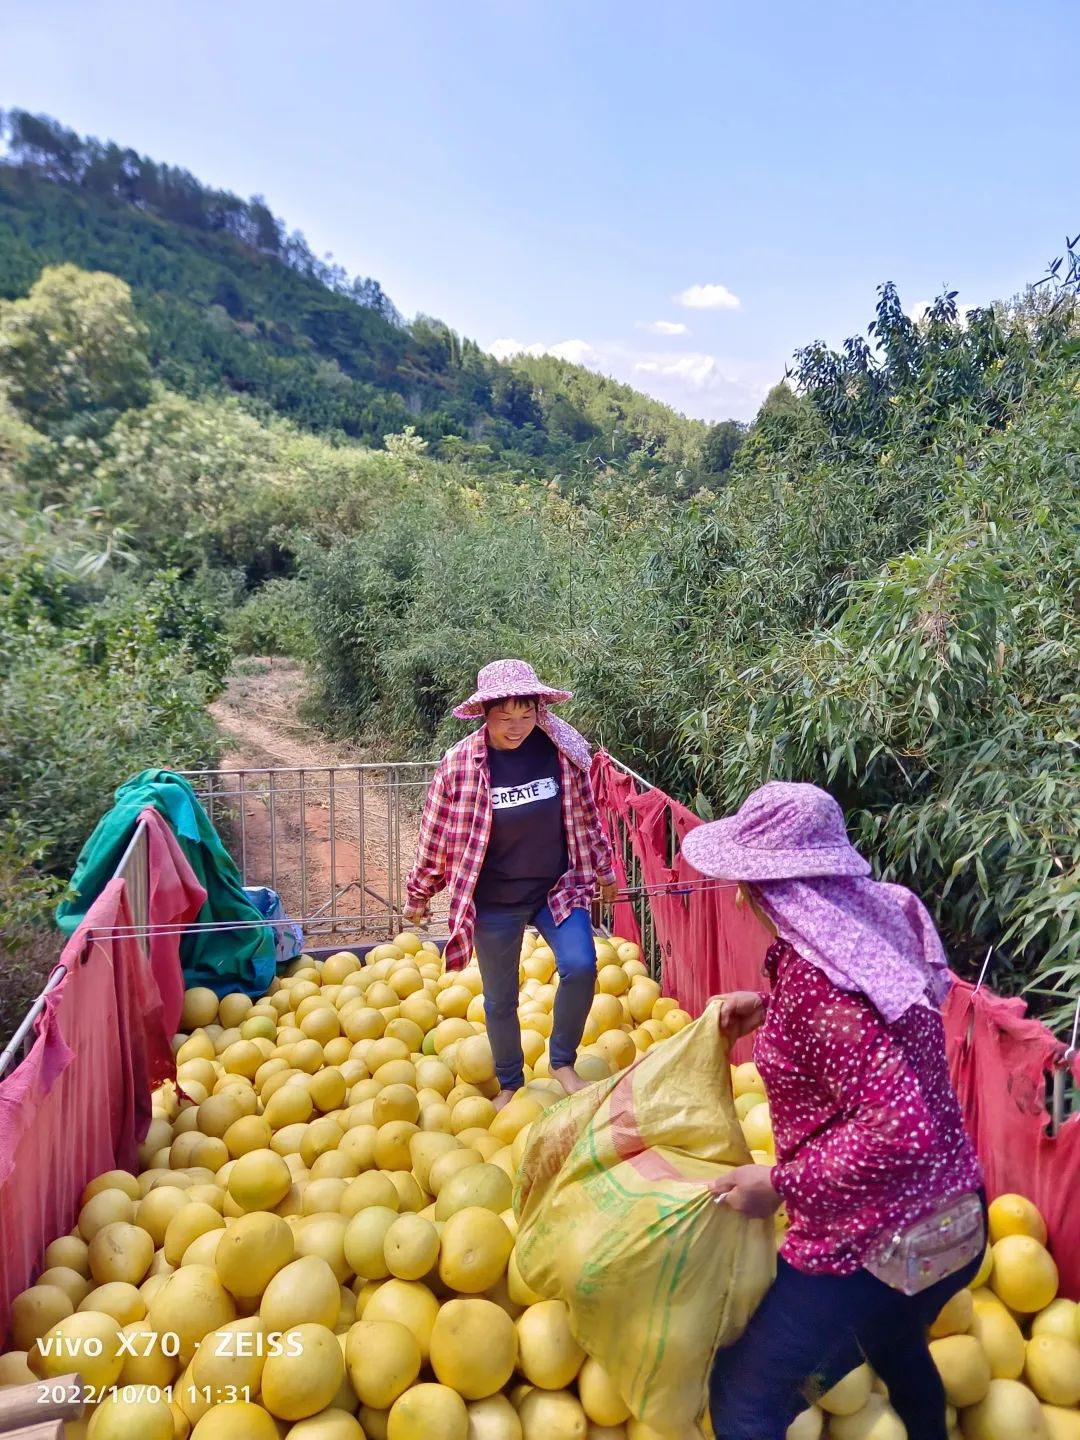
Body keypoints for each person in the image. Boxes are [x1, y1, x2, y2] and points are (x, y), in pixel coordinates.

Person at [680, 781, 984, 1440]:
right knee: (895, 1340)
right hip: (958, 1223)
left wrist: (777, 1184)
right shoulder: (876, 926)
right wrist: (772, 1005)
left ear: (769, 892)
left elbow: (897, 1127)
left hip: (881, 1247)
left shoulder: (822, 993)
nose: (737, 896)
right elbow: (870, 1015)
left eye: (744, 883)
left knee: (743, 1400)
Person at [403, 659, 619, 1107]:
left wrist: (604, 871)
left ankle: (562, 1060)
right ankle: (509, 1082)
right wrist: (419, 895)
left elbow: (586, 816)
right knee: (500, 998)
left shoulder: (561, 749)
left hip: (556, 889)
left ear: (539, 710)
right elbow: (435, 834)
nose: (516, 727)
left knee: (581, 966)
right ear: (485, 714)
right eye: (505, 718)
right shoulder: (461, 764)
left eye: (526, 715)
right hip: (495, 900)